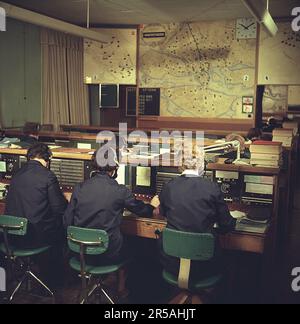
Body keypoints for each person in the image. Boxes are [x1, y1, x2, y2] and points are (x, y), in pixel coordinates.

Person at [63, 147, 155, 293]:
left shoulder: (79, 188)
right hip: (108, 254)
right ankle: (122, 288)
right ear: (114, 168)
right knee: (138, 244)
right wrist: (153, 205)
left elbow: (67, 220)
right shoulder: (120, 191)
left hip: (80, 251)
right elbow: (143, 211)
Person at [156, 146, 236, 280]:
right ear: (201, 164)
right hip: (205, 264)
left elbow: (162, 213)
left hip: (172, 262)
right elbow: (226, 225)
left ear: (180, 164)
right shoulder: (211, 188)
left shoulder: (168, 186)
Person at [5, 143, 68, 287]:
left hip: (12, 236)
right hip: (34, 237)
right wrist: (65, 198)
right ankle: (54, 281)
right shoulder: (48, 176)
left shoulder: (16, 174)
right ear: (47, 159)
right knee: (62, 229)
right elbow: (59, 208)